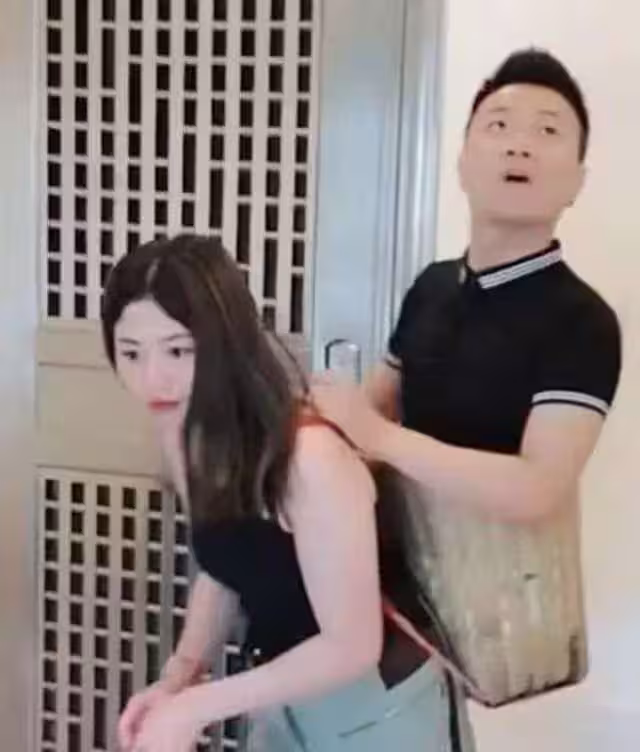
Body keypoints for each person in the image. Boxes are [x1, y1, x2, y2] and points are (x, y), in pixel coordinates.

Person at [313, 46, 622, 691]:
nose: (519, 145)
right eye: (498, 125)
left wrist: (379, 437)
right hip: (400, 602)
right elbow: (376, 404)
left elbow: (538, 487)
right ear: (461, 162)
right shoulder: (432, 285)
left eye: (547, 131)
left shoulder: (584, 321)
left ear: (577, 181)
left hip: (503, 627)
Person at [100, 234, 475, 752]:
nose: (152, 379)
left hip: (379, 712)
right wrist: (179, 676)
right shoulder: (187, 433)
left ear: (225, 344)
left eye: (178, 350)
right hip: (287, 698)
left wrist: (194, 707)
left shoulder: (308, 456)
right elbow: (226, 560)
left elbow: (353, 644)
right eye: (130, 353)